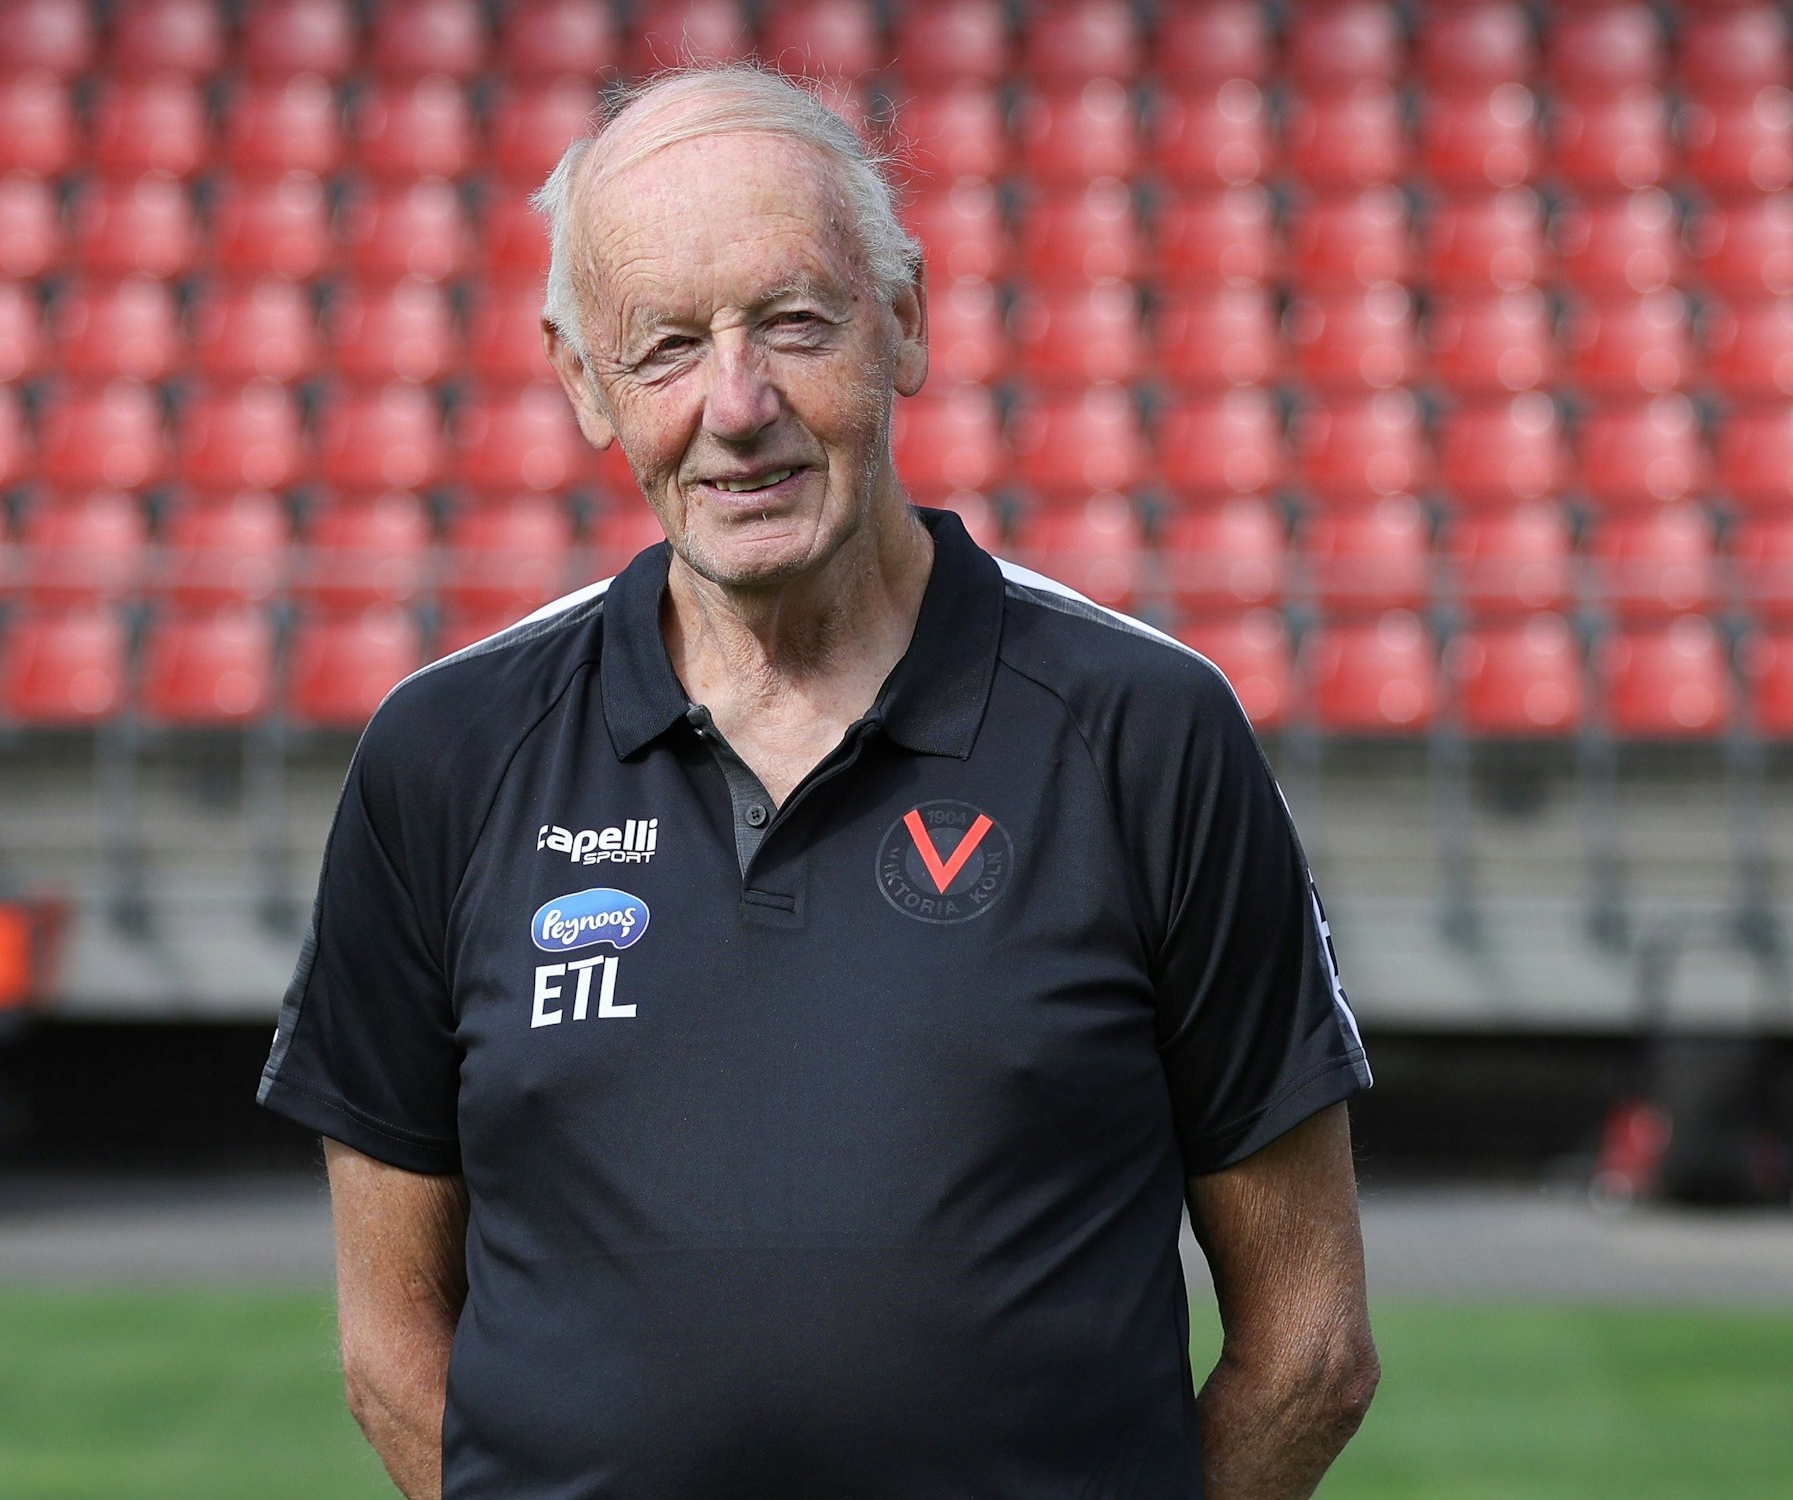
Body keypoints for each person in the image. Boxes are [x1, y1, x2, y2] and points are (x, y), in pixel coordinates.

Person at [258, 64, 1378, 1500]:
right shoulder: (443, 756)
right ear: (581, 380)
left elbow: (1311, 1353)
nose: (739, 405)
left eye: (795, 323)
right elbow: (392, 1351)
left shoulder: (1148, 733)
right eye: (665, 346)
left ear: (902, 321)